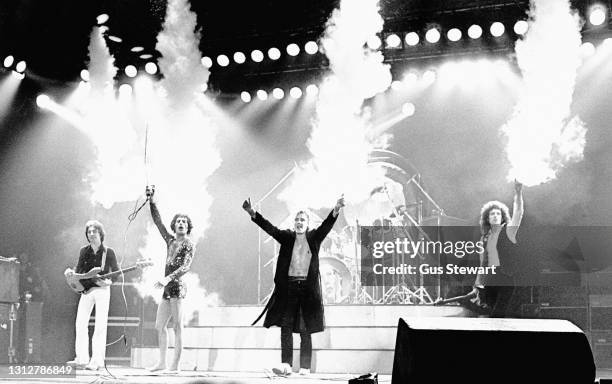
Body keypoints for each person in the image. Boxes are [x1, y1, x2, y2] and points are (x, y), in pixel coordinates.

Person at [243, 195, 345, 376]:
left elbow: (326, 226)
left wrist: (336, 210)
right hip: (289, 288)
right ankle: (286, 365)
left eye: (302, 220)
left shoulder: (314, 237)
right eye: (297, 220)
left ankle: (305, 366)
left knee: (305, 328)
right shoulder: (287, 237)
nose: (299, 222)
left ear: (307, 223)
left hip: (307, 289)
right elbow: (270, 229)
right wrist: (253, 213)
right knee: (286, 326)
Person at [146, 185, 195, 373]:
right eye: (178, 222)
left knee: (177, 327)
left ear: (187, 227)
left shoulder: (189, 244)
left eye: (184, 222)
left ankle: (175, 365)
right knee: (160, 326)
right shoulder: (170, 240)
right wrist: (152, 200)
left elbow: (186, 266)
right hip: (167, 288)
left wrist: (167, 279)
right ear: (174, 226)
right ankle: (162, 362)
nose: (181, 224)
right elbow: (158, 222)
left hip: (177, 288)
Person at [66, 220, 119, 370]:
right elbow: (79, 269)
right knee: (80, 323)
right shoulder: (84, 251)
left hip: (102, 290)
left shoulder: (109, 252)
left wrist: (108, 282)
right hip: (87, 290)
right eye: (89, 232)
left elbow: (116, 271)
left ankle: (97, 361)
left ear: (100, 233)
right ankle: (81, 358)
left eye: (94, 231)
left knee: (100, 326)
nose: (91, 234)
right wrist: (72, 273)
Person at [476, 180, 524, 317]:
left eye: (498, 213)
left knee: (497, 315)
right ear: (487, 218)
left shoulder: (508, 231)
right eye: (492, 214)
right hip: (489, 281)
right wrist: (478, 286)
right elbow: (482, 264)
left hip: (505, 279)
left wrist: (518, 193)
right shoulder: (484, 237)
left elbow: (518, 213)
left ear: (502, 216)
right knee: (488, 316)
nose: (495, 216)